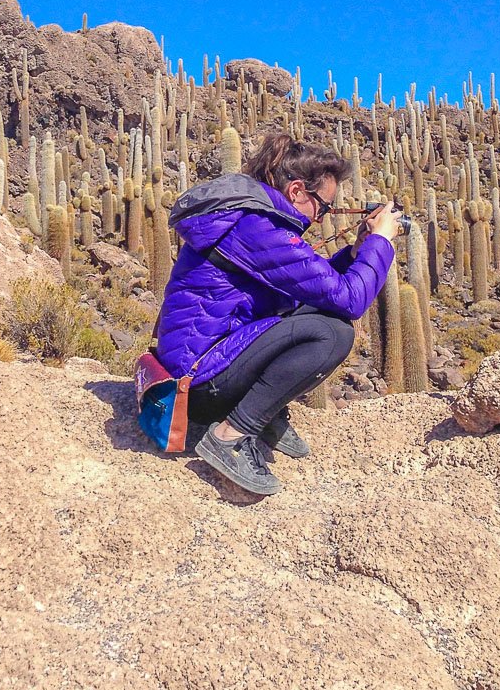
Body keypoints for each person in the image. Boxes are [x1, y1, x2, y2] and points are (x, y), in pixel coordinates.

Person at [156, 133, 403, 496]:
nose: (322, 218)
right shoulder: (258, 229)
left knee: (320, 310)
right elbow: (350, 300)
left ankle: (262, 414)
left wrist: (357, 252)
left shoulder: (255, 221)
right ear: (297, 191)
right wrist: (381, 242)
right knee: (333, 334)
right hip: (198, 379)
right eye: (323, 206)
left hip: (208, 356)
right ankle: (230, 436)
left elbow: (318, 285)